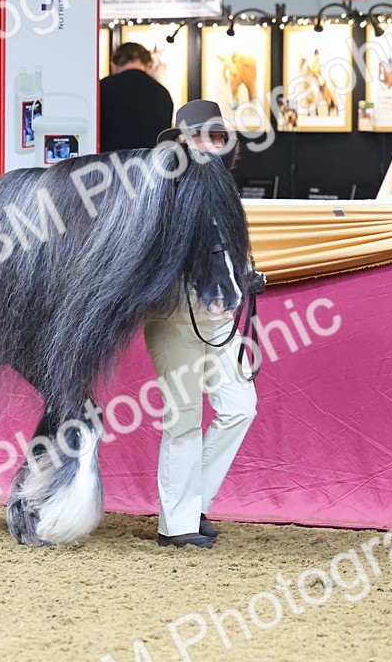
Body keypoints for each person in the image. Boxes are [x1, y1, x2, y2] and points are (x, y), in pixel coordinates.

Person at [145, 99, 259, 549]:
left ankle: (193, 501)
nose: (207, 145)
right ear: (181, 143)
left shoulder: (222, 191)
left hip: (219, 315)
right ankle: (176, 524)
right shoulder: (161, 192)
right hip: (175, 313)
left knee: (239, 407)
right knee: (184, 419)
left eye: (214, 136)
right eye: (198, 137)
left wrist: (241, 279)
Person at [100, 42, 174, 153]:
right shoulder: (162, 93)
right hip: (149, 165)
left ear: (114, 65)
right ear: (149, 65)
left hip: (107, 165)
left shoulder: (101, 88)